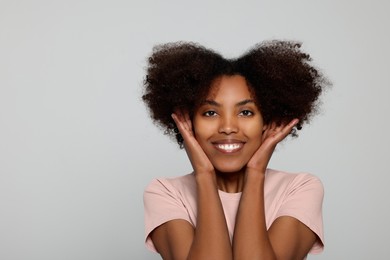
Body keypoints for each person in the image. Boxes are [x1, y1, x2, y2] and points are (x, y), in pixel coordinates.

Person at [142, 40, 329, 260]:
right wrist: (204, 175)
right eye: (210, 113)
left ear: (267, 121)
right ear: (190, 122)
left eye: (246, 112)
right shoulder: (166, 193)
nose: (228, 127)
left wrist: (256, 172)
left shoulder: (299, 189)